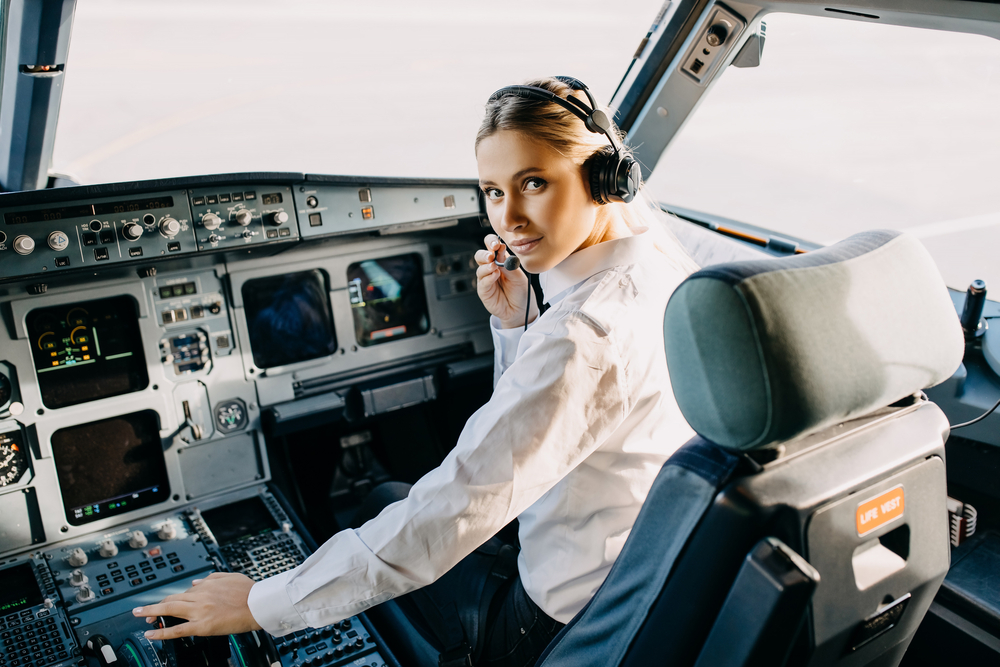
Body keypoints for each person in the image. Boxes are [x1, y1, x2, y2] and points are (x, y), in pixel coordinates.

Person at [133, 76, 698, 666]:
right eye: (492, 191)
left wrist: (261, 602)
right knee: (388, 499)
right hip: (636, 585)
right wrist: (514, 327)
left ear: (604, 179)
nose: (510, 219)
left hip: (553, 622)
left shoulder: (582, 335)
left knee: (378, 502)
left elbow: (456, 506)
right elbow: (545, 427)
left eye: (533, 183)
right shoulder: (662, 271)